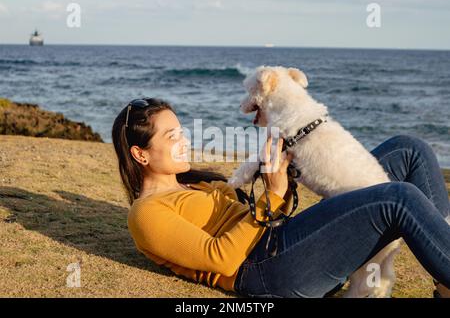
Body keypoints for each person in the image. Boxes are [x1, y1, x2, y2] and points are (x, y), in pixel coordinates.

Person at [111, 97, 450, 298]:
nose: (184, 140)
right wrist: (272, 194)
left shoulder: (195, 185)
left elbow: (264, 216)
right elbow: (223, 259)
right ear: (141, 155)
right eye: (172, 137)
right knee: (397, 198)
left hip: (280, 240)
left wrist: (281, 178)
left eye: (182, 132)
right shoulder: (146, 214)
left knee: (410, 149)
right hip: (268, 272)